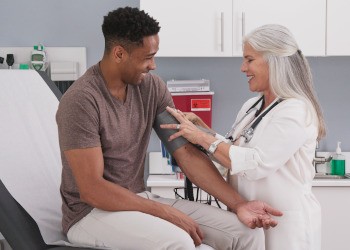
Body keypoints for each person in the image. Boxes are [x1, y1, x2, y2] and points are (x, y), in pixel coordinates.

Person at [56, 7, 282, 250]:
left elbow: (185, 152)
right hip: (90, 214)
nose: (153, 65)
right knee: (179, 242)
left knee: (246, 233)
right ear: (119, 53)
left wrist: (239, 205)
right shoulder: (81, 101)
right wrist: (164, 212)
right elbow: (92, 190)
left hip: (137, 199)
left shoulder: (151, 88)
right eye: (146, 57)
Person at [161, 24, 325, 250]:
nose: (242, 68)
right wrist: (204, 130)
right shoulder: (252, 106)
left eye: (249, 60)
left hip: (286, 226)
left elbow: (256, 163)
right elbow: (235, 151)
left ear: (273, 61)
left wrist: (202, 138)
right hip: (252, 219)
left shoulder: (296, 110)